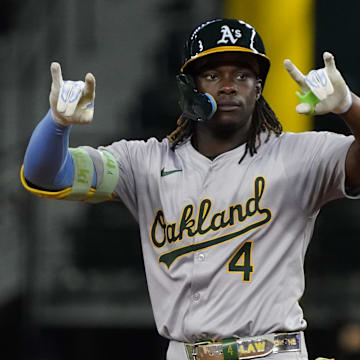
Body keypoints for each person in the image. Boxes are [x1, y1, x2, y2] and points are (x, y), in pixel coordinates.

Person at [21, 18, 359, 360]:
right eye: (212, 75)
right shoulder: (143, 162)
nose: (228, 86)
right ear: (189, 87)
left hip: (270, 352)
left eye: (242, 75)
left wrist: (349, 107)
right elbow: (46, 174)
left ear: (258, 89)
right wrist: (57, 123)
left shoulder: (298, 155)